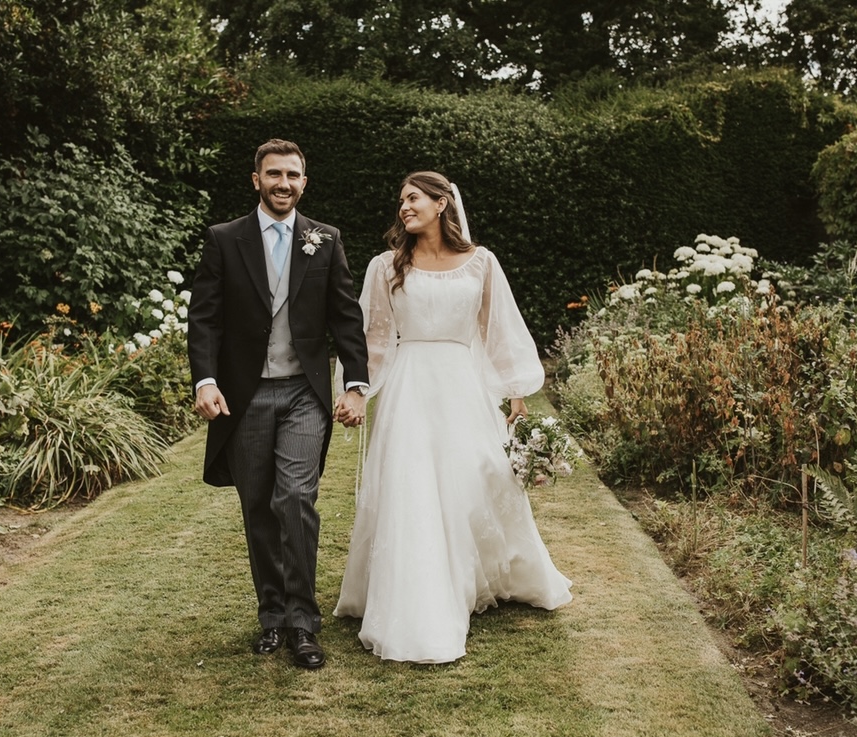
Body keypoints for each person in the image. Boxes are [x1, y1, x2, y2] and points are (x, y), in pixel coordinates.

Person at [333, 170, 573, 664]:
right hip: (409, 387)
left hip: (464, 386)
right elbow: (372, 338)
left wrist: (516, 394)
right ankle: (416, 597)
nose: (404, 206)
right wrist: (356, 389)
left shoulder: (481, 262)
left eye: (414, 197)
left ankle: (478, 575)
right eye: (401, 199)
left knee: (473, 482)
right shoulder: (386, 266)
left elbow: (498, 329)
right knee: (412, 487)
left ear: (443, 203)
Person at [188, 139, 369, 670]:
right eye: (274, 174)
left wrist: (354, 383)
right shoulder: (224, 239)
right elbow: (204, 318)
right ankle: (272, 616)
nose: (283, 183)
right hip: (244, 398)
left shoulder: (325, 239)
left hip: (303, 394)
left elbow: (345, 317)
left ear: (304, 182)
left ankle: (303, 621)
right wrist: (206, 380)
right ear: (256, 179)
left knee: (296, 497)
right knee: (259, 506)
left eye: (293, 174)